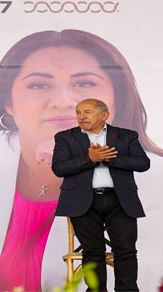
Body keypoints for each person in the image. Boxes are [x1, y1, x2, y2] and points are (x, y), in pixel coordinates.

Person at [0, 29, 163, 291]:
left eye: (85, 83)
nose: (63, 102)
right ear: (7, 102)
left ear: (116, 98)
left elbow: (155, 278)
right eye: (39, 85)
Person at [52, 98, 149, 292]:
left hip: (120, 200)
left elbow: (142, 163)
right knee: (92, 251)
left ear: (104, 115)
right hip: (82, 201)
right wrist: (89, 159)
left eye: (87, 112)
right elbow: (59, 168)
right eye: (78, 112)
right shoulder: (65, 137)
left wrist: (110, 158)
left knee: (125, 250)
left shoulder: (126, 136)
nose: (81, 116)